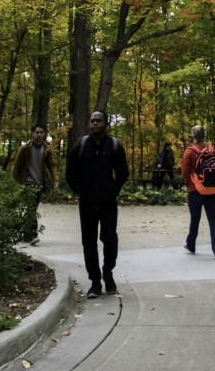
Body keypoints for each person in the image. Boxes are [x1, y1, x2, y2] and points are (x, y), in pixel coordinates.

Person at [66, 110, 129, 298]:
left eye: (98, 121)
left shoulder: (115, 146)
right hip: (87, 202)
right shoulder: (81, 146)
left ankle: (108, 273)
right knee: (89, 242)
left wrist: (113, 190)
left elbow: (123, 173)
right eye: (92, 121)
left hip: (108, 202)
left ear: (105, 124)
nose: (94, 124)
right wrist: (81, 190)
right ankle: (95, 281)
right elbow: (70, 173)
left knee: (110, 238)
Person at [181, 125, 215, 259]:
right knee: (212, 218)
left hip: (195, 190)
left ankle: (191, 244)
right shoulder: (211, 150)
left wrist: (189, 185)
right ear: (204, 135)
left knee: (195, 218)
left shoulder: (189, 152)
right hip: (212, 190)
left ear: (192, 135)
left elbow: (185, 172)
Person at [12, 123, 58, 245]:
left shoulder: (46, 150)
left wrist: (55, 181)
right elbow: (16, 167)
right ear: (33, 133)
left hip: (39, 184)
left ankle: (25, 233)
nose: (39, 134)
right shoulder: (25, 148)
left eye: (41, 132)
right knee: (31, 209)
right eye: (36, 132)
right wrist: (16, 182)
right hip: (27, 183)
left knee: (30, 209)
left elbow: (52, 166)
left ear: (44, 134)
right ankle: (32, 235)